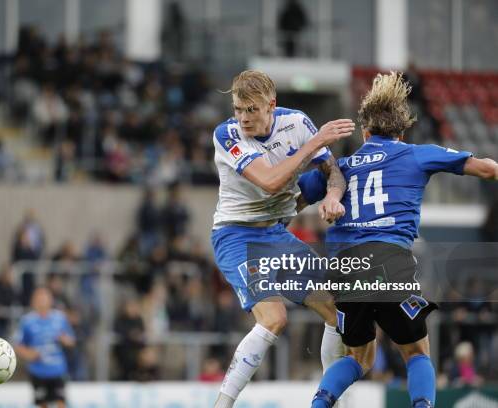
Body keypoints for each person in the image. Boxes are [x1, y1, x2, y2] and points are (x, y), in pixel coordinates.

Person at [297, 72, 497, 408]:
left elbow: (296, 195)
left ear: (365, 132)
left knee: (360, 357)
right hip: (389, 259)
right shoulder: (417, 153)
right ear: (401, 132)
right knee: (417, 352)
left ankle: (318, 404)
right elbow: (488, 169)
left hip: (346, 267)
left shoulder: (342, 167)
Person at [211, 70, 355, 408]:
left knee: (336, 307)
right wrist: (315, 141)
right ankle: (222, 404)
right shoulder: (227, 135)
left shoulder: (297, 123)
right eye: (238, 109)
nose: (243, 118)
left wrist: (333, 196)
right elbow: (271, 182)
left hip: (275, 232)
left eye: (252, 110)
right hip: (236, 235)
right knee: (274, 318)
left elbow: (331, 171)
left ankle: (328, 399)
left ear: (271, 105)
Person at [14, 287, 76, 408]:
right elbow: (18, 345)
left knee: (61, 403)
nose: (42, 300)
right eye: (39, 297)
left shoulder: (60, 318)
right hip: (38, 371)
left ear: (50, 300)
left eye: (45, 297)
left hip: (57, 370)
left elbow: (71, 340)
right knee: (42, 404)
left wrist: (65, 340)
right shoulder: (27, 321)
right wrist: (29, 354)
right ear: (33, 301)